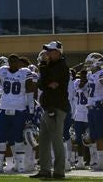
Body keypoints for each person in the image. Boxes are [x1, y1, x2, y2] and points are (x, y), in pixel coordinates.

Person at [34, 40, 70, 179]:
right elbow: (42, 84)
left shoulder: (61, 66)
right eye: (47, 50)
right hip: (48, 106)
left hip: (56, 106)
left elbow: (49, 82)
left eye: (50, 50)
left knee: (56, 139)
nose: (47, 53)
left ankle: (59, 171)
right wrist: (46, 79)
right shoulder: (52, 65)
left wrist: (43, 66)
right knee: (43, 139)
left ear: (58, 52)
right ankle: (45, 169)